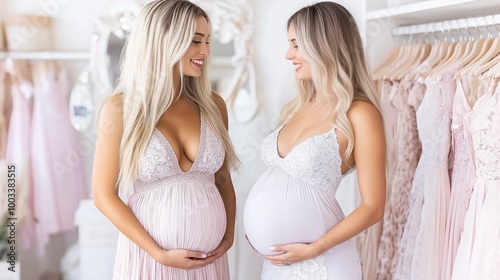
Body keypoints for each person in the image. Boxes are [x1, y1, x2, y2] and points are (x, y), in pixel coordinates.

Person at [91, 0, 238, 279]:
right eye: (195, 41)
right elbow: (103, 195)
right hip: (149, 259)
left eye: (207, 41)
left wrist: (228, 236)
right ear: (164, 41)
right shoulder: (120, 109)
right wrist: (158, 254)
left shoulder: (214, 105)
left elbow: (223, 180)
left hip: (208, 264)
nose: (205, 51)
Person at [243, 2, 386, 279]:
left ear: (324, 45)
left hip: (323, 263)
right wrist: (260, 229)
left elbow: (373, 207)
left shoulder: (360, 113)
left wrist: (315, 248)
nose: (288, 55)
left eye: (296, 45)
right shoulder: (298, 106)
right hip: (277, 265)